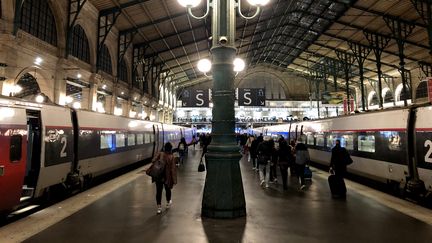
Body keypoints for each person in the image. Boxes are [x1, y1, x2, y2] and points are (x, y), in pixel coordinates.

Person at [149, 142, 177, 214]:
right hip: (167, 178)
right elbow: (173, 170)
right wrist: (174, 180)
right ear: (171, 149)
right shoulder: (172, 157)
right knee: (168, 190)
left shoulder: (160, 154)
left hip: (158, 176)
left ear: (164, 148)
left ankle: (159, 208)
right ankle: (168, 202)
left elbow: (153, 160)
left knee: (158, 191)